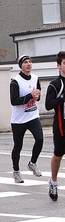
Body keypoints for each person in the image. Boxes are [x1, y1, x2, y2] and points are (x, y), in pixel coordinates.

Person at [10, 55, 43, 183]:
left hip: (33, 115)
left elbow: (38, 95)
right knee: (18, 145)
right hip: (19, 119)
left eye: (30, 62)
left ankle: (32, 163)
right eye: (25, 62)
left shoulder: (35, 78)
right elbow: (14, 101)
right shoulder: (15, 81)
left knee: (39, 139)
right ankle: (16, 171)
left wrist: (36, 98)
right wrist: (30, 96)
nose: (28, 64)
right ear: (21, 65)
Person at [45, 51, 65, 202]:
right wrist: (62, 99)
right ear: (59, 66)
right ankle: (53, 181)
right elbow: (48, 104)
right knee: (58, 155)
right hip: (61, 125)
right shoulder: (55, 84)